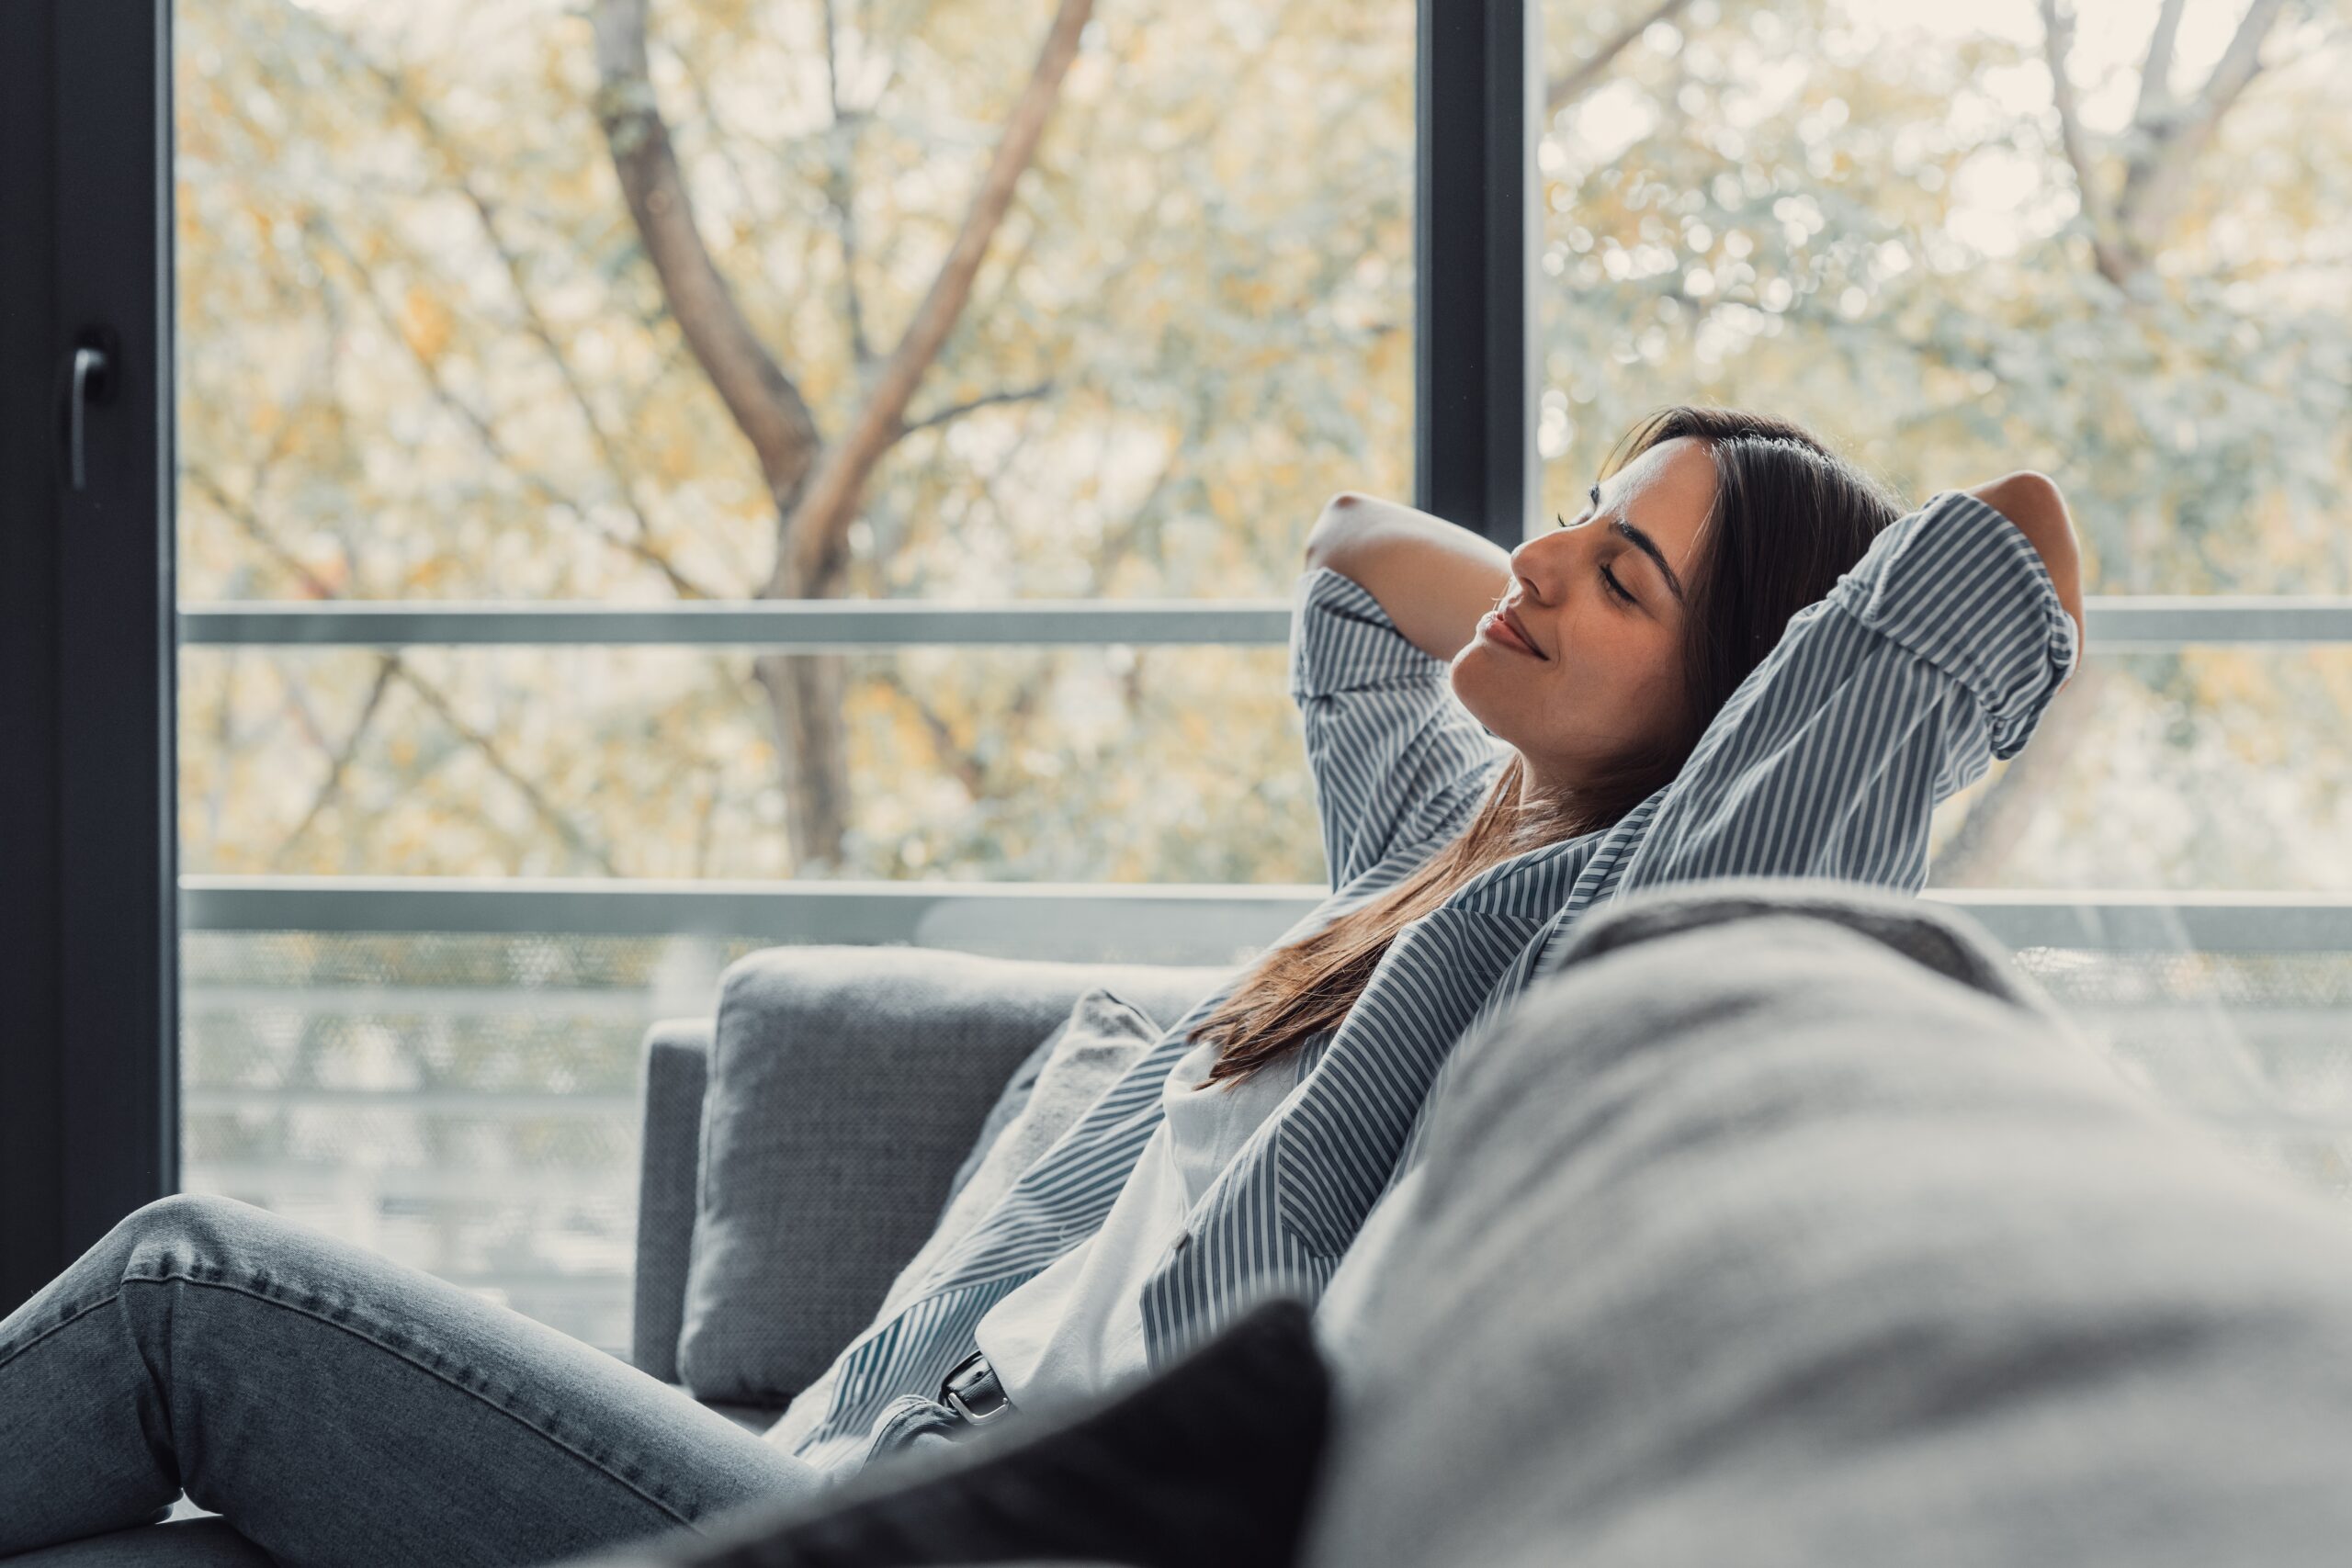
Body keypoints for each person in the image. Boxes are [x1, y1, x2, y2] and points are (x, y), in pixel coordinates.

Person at [0, 405, 2085, 1564]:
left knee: (197, 1293)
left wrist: (1708, 682)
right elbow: (1355, 557)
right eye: (1561, 520)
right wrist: (1581, 589)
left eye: (1615, 574)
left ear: (1738, 711)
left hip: (966, 1533)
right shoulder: (1430, 857)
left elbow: (2005, 537)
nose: (1535, 566)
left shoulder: (1623, 913)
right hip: (840, 1458)